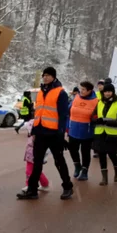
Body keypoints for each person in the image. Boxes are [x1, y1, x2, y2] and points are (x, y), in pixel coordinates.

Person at [17, 67, 73, 200]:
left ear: (54, 77)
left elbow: (63, 115)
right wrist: (35, 131)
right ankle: (32, 190)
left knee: (59, 161)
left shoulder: (61, 93)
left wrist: (61, 134)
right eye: (44, 75)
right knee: (37, 162)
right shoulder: (41, 92)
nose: (45, 77)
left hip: (53, 133)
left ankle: (67, 187)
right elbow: (38, 113)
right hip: (41, 132)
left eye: (48, 75)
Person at [92, 82, 117, 186]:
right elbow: (93, 116)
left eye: (109, 91)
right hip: (100, 133)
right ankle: (104, 177)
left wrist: (105, 121)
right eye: (105, 91)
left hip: (112, 133)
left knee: (112, 154)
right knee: (101, 155)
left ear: (113, 92)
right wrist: (96, 120)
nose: (107, 93)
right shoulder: (99, 102)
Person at [67, 81, 98, 181]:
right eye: (81, 89)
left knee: (85, 152)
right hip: (74, 129)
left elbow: (98, 115)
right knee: (72, 149)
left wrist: (95, 118)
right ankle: (77, 165)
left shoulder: (96, 101)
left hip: (87, 131)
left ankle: (85, 171)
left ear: (90, 91)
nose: (81, 91)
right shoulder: (76, 97)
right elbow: (68, 110)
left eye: (84, 89)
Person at [21, 118, 50, 192]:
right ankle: (44, 184)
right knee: (36, 170)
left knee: (29, 170)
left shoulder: (34, 124)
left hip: (33, 151)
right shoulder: (42, 125)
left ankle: (29, 185)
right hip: (34, 150)